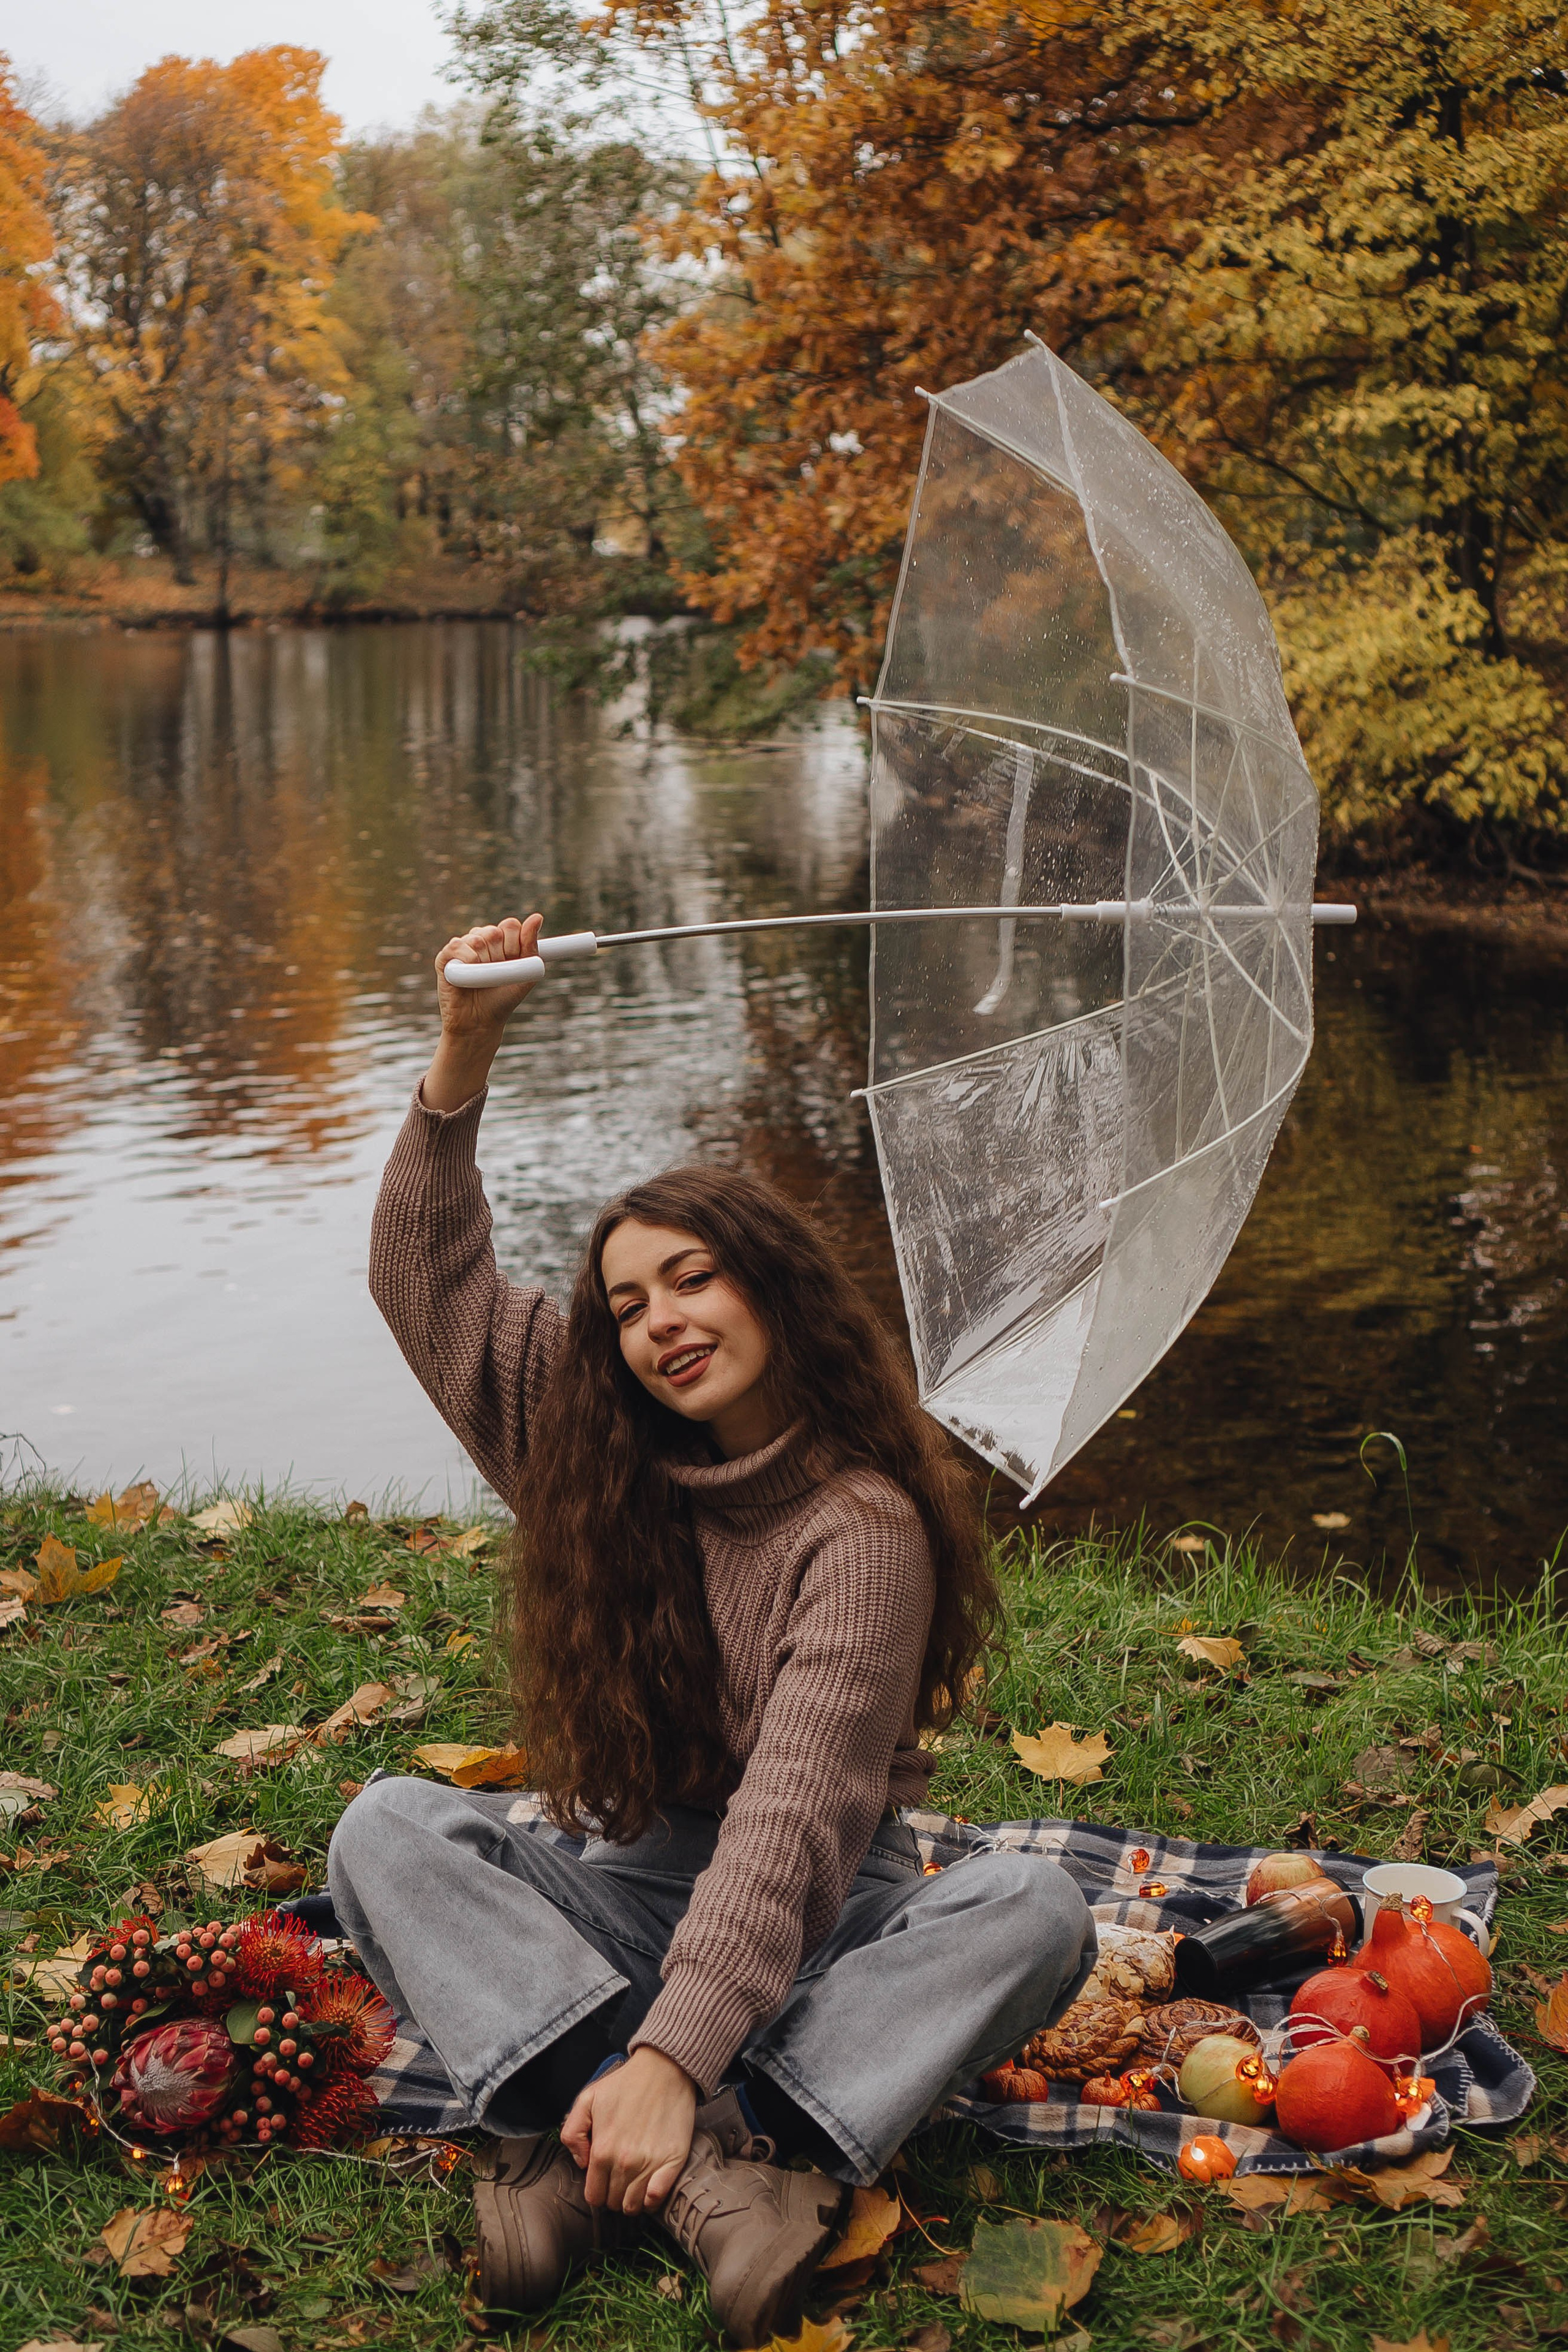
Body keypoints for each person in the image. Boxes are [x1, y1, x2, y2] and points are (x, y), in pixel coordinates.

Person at [328, 913, 1095, 2346]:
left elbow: (793, 1817)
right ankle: (708, 2175)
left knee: (1033, 1911)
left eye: (692, 1278)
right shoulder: (593, 1455)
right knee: (387, 1829)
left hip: (823, 1917)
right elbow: (425, 1286)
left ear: (772, 1287)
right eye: (627, 1305)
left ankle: (624, 2135)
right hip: (623, 1899)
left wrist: (673, 2056)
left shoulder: (862, 1528)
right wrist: (463, 1045)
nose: (660, 1324)